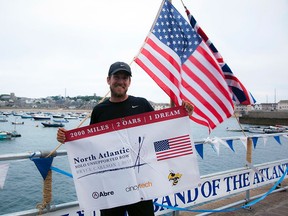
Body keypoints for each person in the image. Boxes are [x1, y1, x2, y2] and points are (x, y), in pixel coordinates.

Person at [57, 61, 194, 216]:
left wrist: (181, 117)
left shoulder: (141, 104)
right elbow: (90, 144)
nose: (121, 81)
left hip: (141, 183)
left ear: (129, 82)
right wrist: (67, 138)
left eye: (125, 78)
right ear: (108, 80)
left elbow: (160, 132)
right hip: (111, 185)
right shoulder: (99, 110)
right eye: (117, 77)